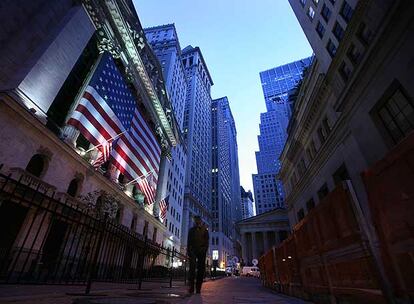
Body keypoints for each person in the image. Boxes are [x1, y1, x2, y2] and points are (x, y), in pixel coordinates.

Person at [187, 215, 209, 294]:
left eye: (198, 220)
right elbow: (189, 242)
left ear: (200, 221)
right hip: (193, 251)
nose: (196, 221)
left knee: (201, 270)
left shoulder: (205, 231)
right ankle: (191, 287)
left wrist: (204, 250)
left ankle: (198, 288)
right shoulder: (191, 230)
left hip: (201, 252)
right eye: (195, 220)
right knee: (191, 269)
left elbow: (206, 243)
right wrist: (189, 252)